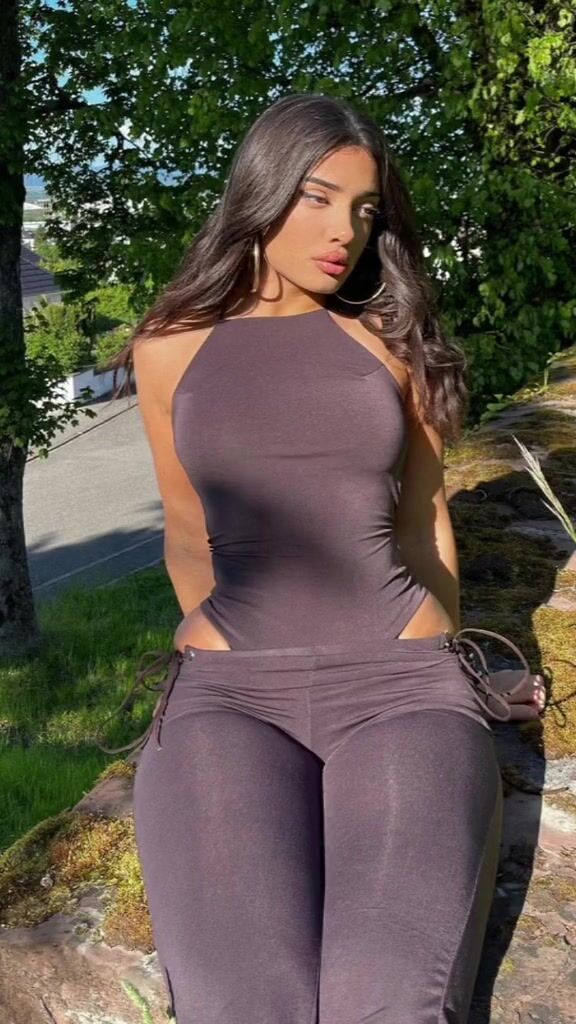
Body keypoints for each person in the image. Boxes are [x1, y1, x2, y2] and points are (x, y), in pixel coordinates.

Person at [98, 93, 546, 1023]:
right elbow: (186, 526)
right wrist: (223, 636)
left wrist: (453, 665)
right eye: (318, 197)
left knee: (383, 1001)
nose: (345, 231)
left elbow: (422, 522)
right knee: (242, 1003)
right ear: (262, 190)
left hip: (401, 689)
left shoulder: (390, 339)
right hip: (229, 699)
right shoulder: (169, 348)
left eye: (365, 210)